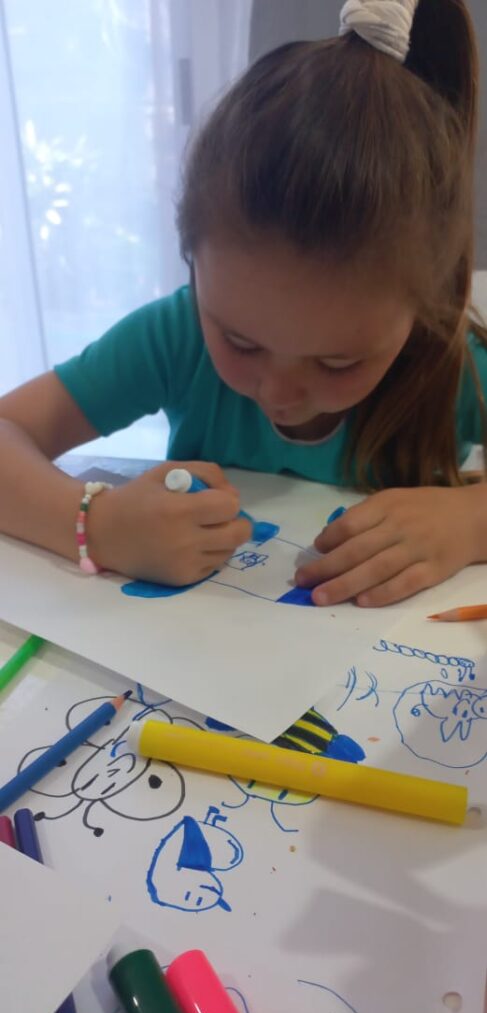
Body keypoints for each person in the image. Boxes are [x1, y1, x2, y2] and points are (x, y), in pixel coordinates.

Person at [0, 0, 486, 607]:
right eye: (240, 342)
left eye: (337, 363)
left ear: (422, 307)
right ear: (193, 264)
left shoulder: (453, 366)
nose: (280, 393)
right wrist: (95, 526)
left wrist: (472, 521)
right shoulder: (175, 338)